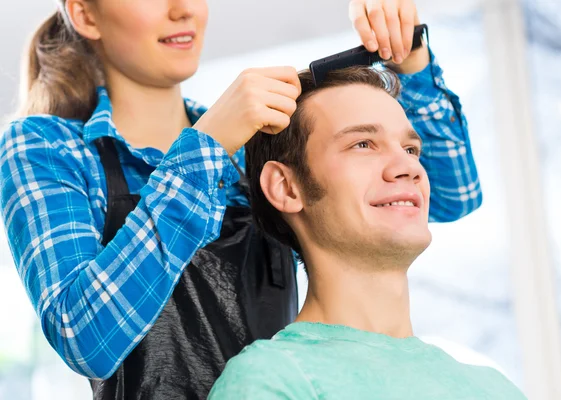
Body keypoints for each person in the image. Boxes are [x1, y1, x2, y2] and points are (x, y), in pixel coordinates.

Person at [0, 0, 480, 398]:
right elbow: (86, 336)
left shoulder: (249, 147)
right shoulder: (49, 148)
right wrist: (205, 147)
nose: (183, 10)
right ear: (84, 15)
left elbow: (452, 192)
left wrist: (410, 56)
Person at [208, 66, 523, 399]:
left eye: (411, 149)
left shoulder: (494, 388)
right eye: (363, 144)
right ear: (287, 187)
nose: (409, 168)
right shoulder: (270, 380)